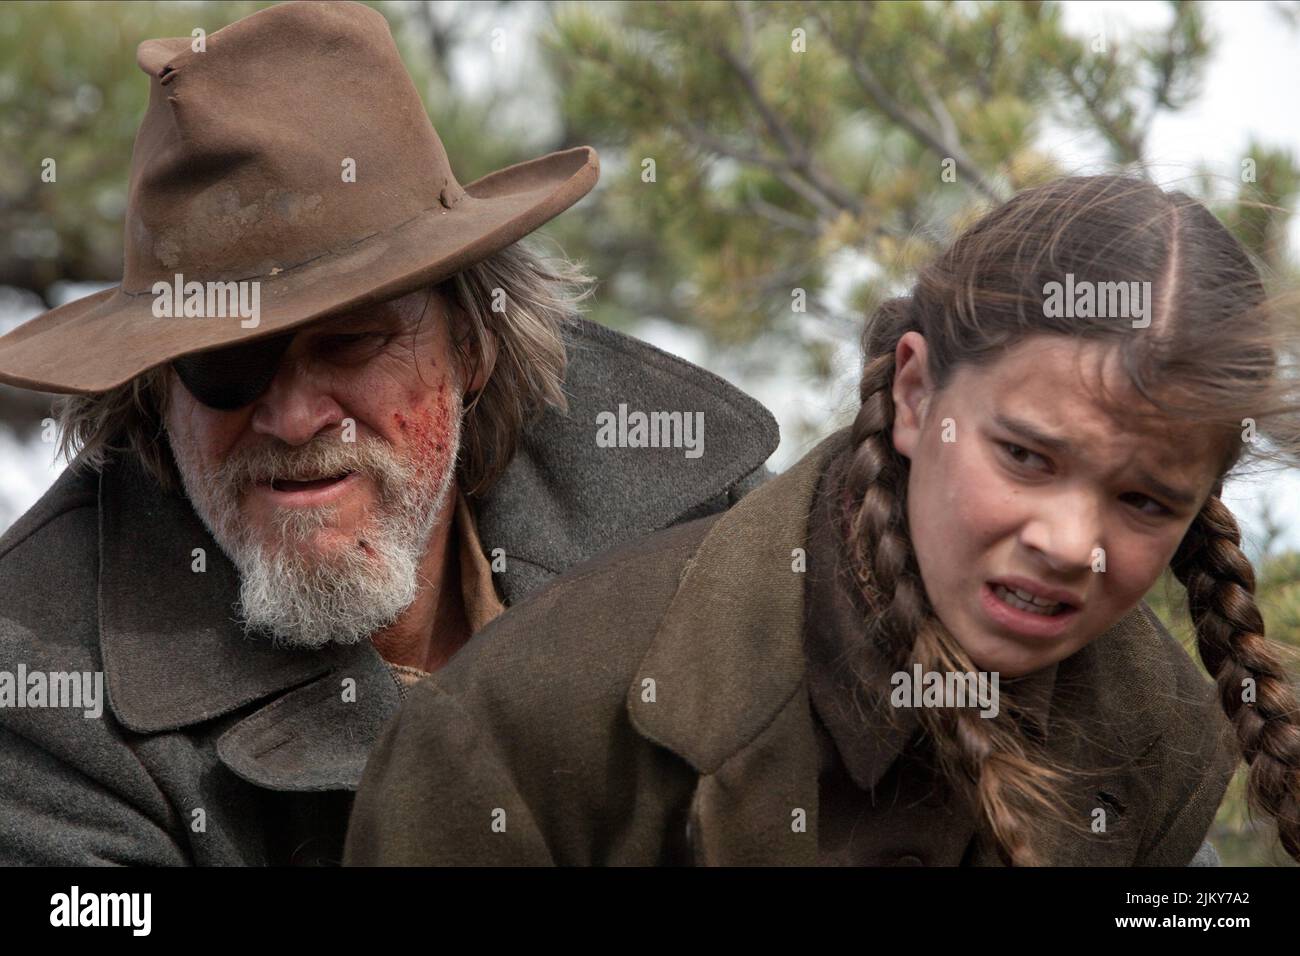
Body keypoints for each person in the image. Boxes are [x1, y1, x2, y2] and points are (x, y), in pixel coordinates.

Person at [0, 1, 776, 865]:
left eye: (352, 343)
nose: (294, 419)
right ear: (153, 393)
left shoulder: (704, 522)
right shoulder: (41, 688)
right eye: (225, 369)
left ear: (473, 344)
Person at [345, 174, 1300, 866]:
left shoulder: (1165, 737)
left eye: (1142, 502)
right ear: (919, 395)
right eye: (1025, 457)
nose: (1065, 542)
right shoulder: (522, 730)